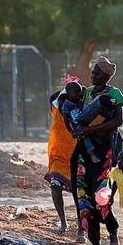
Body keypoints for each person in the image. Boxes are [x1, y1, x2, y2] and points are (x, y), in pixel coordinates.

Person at [70, 56, 123, 245]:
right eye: (93, 72)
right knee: (83, 196)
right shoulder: (86, 93)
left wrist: (91, 131)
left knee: (101, 195)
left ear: (107, 76)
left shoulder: (114, 94)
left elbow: (117, 121)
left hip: (103, 150)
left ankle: (112, 231)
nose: (93, 75)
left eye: (97, 73)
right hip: (84, 150)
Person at [44, 84, 79, 236]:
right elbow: (53, 97)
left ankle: (81, 227)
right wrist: (66, 88)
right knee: (55, 188)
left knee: (79, 195)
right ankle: (63, 221)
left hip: (77, 157)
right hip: (59, 158)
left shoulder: (80, 112)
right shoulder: (57, 110)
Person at [60, 81, 101, 163]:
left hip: (86, 122)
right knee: (86, 137)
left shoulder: (80, 101)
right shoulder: (66, 105)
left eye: (80, 91)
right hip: (78, 126)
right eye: (76, 92)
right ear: (68, 94)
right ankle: (91, 153)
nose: (79, 94)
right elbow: (66, 119)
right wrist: (70, 130)